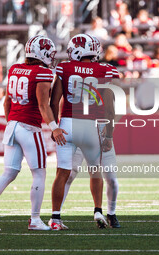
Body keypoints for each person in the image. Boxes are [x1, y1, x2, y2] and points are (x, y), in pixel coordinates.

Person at [0, 35, 66, 231]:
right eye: (49, 54)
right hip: (28, 127)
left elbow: (7, 102)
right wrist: (54, 127)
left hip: (12, 125)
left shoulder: (15, 69)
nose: (51, 57)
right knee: (40, 173)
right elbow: (43, 105)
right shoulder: (41, 73)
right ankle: (34, 219)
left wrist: (12, 122)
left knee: (9, 171)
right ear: (41, 54)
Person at [49, 34, 118, 230]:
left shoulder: (64, 67)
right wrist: (110, 134)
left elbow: (54, 101)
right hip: (91, 125)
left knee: (62, 173)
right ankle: (98, 211)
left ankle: (56, 218)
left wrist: (54, 127)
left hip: (69, 123)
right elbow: (109, 107)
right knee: (95, 171)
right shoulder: (104, 70)